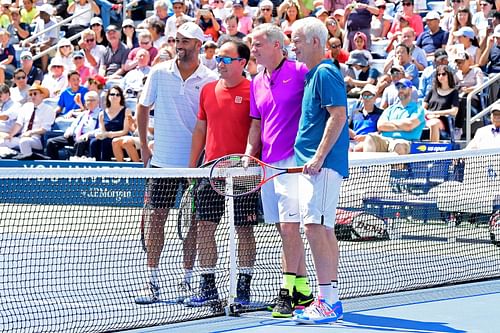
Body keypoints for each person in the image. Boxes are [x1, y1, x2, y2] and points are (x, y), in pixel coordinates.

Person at [134, 22, 218, 305]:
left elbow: (210, 121)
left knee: (193, 223)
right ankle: (152, 281)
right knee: (157, 220)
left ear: (198, 45)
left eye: (185, 41)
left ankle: (188, 279)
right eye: (176, 40)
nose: (179, 45)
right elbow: (143, 107)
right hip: (162, 163)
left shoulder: (210, 79)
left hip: (195, 164)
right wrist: (144, 146)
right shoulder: (159, 73)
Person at [244, 23, 313, 318]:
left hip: (295, 163)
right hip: (268, 165)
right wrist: (250, 152)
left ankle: (286, 293)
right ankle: (304, 290)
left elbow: (317, 109)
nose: (253, 50)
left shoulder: (300, 72)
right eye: (252, 44)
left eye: (258, 44)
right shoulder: (255, 80)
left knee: (289, 227)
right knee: (282, 228)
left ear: (276, 45)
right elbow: (257, 123)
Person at [184, 38, 258, 307]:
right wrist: (193, 168)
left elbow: (257, 131)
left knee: (244, 230)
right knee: (205, 228)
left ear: (242, 63)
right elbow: (201, 130)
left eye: (227, 59)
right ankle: (208, 287)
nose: (220, 63)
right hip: (211, 172)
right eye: (218, 58)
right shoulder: (207, 90)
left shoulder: (255, 91)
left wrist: (247, 162)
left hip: (244, 175)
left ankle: (244, 289)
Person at [290, 17, 348, 324]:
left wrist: (318, 157)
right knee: (321, 227)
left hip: (320, 166)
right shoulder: (314, 75)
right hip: (314, 166)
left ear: (315, 41)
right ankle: (330, 299)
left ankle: (327, 300)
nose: (293, 46)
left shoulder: (325, 72)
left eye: (297, 40)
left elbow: (337, 116)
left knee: (315, 227)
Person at [363, 78, 425, 154]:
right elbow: (380, 125)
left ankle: (397, 166)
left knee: (398, 145)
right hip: (386, 139)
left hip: (406, 141)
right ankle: (369, 166)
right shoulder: (390, 109)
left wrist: (390, 124)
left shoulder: (418, 109)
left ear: (410, 90)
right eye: (398, 88)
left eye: (403, 87)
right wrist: (402, 125)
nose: (400, 90)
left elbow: (409, 125)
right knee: (370, 138)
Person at [0, 84, 55, 159]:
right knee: (3, 142)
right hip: (22, 137)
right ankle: (11, 161)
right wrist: (11, 135)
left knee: (24, 142)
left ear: (42, 95)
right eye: (31, 94)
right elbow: (18, 123)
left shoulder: (49, 109)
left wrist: (30, 132)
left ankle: (28, 164)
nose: (32, 96)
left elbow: (45, 129)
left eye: (35, 93)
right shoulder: (26, 106)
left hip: (36, 139)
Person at [45, 91, 101, 160]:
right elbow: (74, 125)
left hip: (88, 138)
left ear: (98, 101)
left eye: (92, 100)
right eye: (87, 100)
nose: (89, 102)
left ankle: (75, 164)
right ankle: (54, 164)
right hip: (75, 136)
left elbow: (101, 129)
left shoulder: (101, 114)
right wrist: (69, 131)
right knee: (51, 142)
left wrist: (88, 134)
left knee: (80, 142)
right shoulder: (83, 114)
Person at [89, 86, 132, 161]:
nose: (115, 96)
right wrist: (103, 135)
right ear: (108, 96)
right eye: (112, 94)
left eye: (118, 94)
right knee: (94, 142)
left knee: (106, 142)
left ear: (121, 97)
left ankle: (105, 165)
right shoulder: (102, 113)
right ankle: (94, 165)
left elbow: (125, 131)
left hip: (120, 136)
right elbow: (103, 131)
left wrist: (110, 134)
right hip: (107, 136)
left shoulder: (126, 111)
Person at [423, 65, 459, 142]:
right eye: (438, 74)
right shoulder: (433, 90)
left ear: (449, 75)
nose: (440, 76)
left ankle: (433, 149)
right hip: (428, 118)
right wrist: (428, 114)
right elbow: (423, 107)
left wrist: (435, 113)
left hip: (443, 122)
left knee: (434, 123)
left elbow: (454, 111)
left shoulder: (454, 92)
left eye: (443, 74)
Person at [349, 84, 383, 151]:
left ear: (375, 97)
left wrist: (366, 137)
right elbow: (347, 127)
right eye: (365, 96)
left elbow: (381, 132)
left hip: (370, 142)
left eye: (369, 96)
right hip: (353, 141)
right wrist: (351, 133)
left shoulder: (380, 113)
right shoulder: (355, 112)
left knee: (358, 149)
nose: (367, 98)